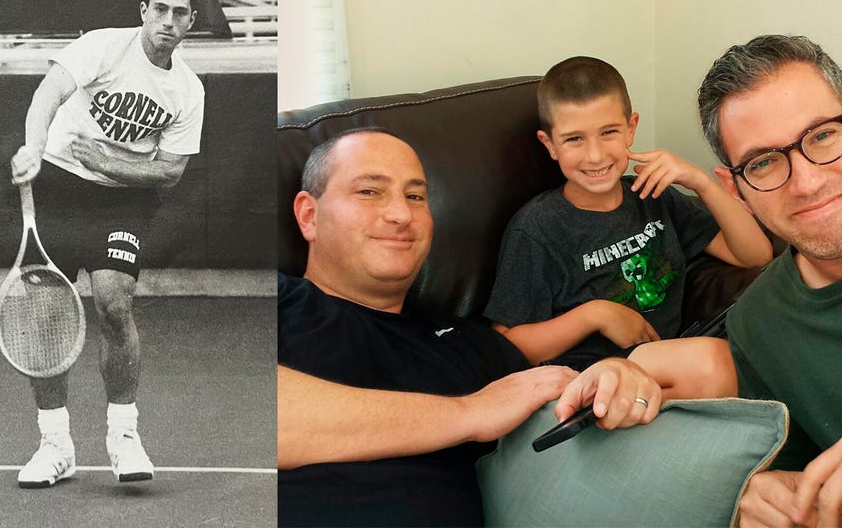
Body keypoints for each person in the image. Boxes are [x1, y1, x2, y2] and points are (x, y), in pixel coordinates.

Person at [279, 127, 665, 527]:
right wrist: (472, 412)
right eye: (369, 191)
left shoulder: (463, 341)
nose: (400, 213)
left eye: (415, 196)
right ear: (309, 215)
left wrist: (614, 375)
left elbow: (557, 398)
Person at [697, 34, 842, 527]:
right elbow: (805, 482)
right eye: (763, 162)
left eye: (821, 134)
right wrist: (769, 500)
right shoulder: (757, 324)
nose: (806, 182)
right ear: (736, 189)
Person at [8, 0, 205, 488]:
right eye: (159, 9)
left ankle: (123, 435)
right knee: (48, 316)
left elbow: (171, 170)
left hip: (123, 201)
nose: (167, 21)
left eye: (179, 13)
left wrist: (107, 162)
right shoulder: (102, 47)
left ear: (191, 22)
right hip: (59, 184)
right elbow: (46, 96)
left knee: (114, 302)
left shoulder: (187, 89)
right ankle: (55, 445)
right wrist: (33, 147)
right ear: (143, 11)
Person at [485, 56, 772, 399]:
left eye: (608, 133)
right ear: (549, 145)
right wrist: (594, 315)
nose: (595, 155)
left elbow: (755, 254)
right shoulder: (537, 228)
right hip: (587, 380)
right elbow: (505, 344)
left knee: (748, 353)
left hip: (664, 365)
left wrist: (700, 182)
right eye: (574, 139)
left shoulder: (652, 195)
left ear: (631, 127)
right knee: (713, 364)